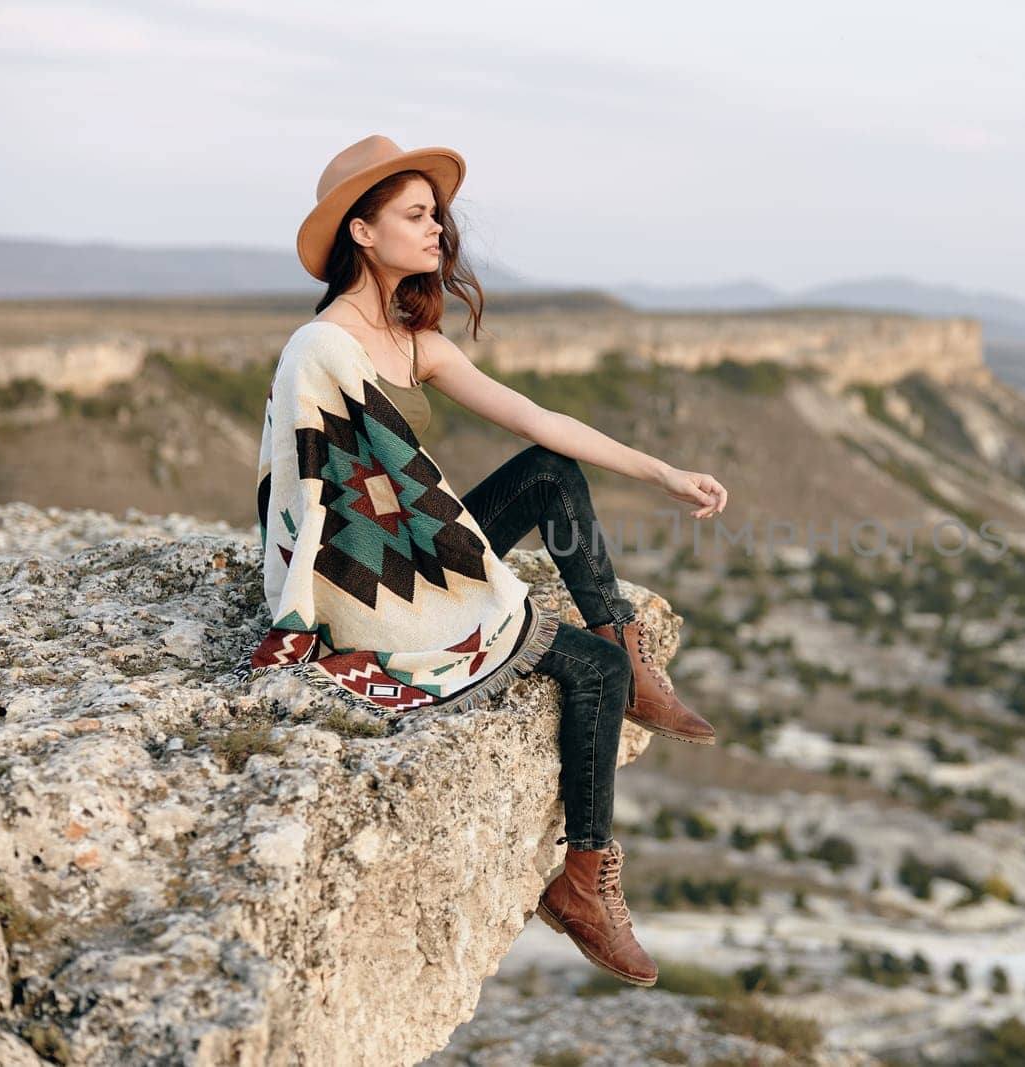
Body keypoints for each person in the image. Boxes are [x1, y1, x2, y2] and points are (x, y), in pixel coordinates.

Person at [294, 134, 728, 987]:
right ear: (362, 232)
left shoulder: (409, 337)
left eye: (437, 216)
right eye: (416, 216)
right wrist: (436, 576)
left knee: (549, 471)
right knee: (589, 670)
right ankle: (582, 880)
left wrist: (662, 471)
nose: (438, 233)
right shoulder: (321, 351)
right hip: (376, 582)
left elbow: (537, 419)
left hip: (421, 543)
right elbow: (311, 500)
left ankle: (626, 644)